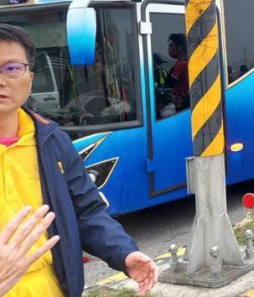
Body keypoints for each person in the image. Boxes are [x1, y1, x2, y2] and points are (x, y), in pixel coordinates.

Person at [0, 24, 157, 297]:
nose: (1, 79)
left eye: (12, 68)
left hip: (51, 287)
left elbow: (85, 211)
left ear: (31, 78)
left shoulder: (52, 141)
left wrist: (123, 253)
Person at [165, 33, 190, 111]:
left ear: (180, 48)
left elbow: (169, 84)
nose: (169, 49)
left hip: (183, 104)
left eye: (171, 46)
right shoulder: (186, 62)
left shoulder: (181, 64)